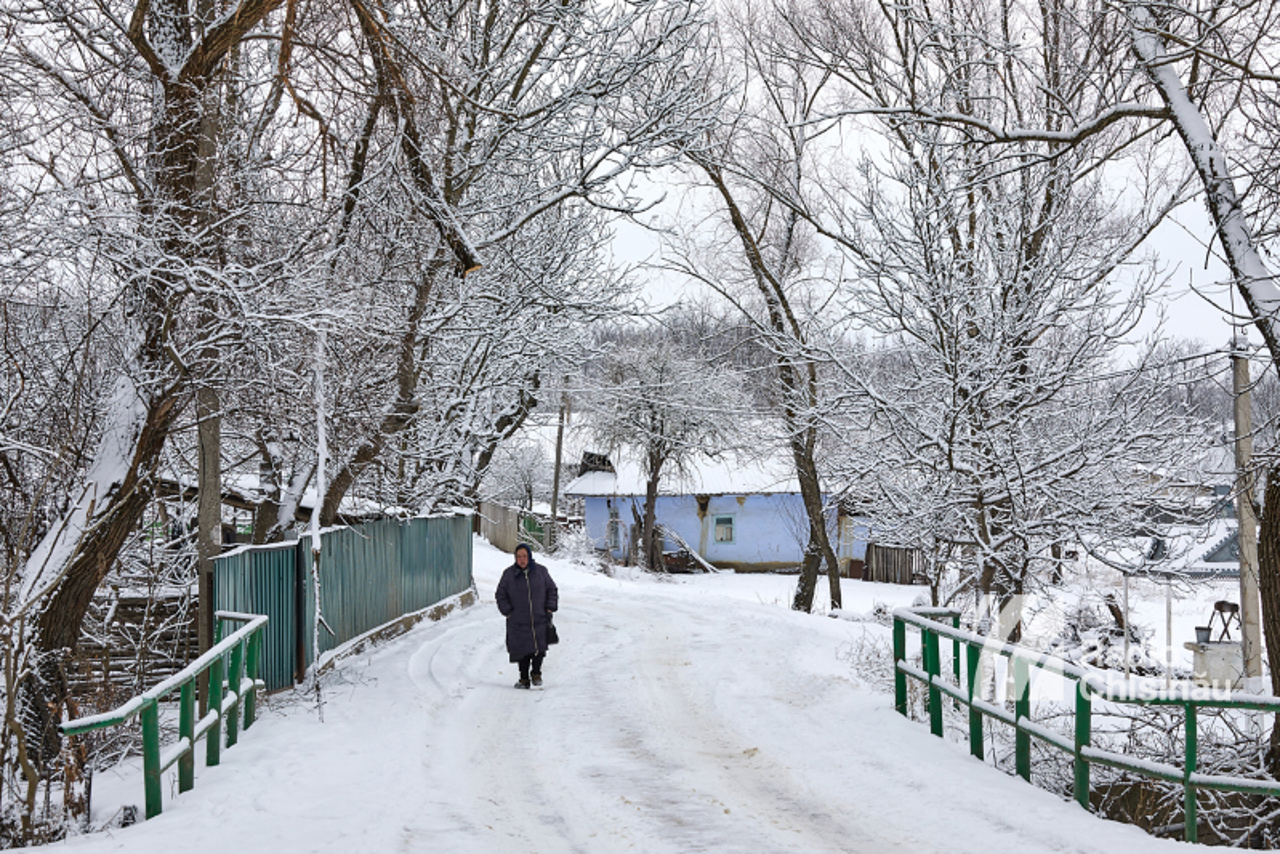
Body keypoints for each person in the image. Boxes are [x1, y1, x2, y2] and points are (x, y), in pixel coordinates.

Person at [495, 543, 558, 689]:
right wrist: (508, 611)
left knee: (539, 649)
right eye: (519, 557)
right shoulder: (509, 574)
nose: (522, 560)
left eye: (524, 556)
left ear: (529, 556)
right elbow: (500, 594)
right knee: (521, 651)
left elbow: (552, 589)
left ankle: (536, 674)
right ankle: (524, 679)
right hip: (518, 620)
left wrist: (550, 608)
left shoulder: (541, 572)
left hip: (540, 618)